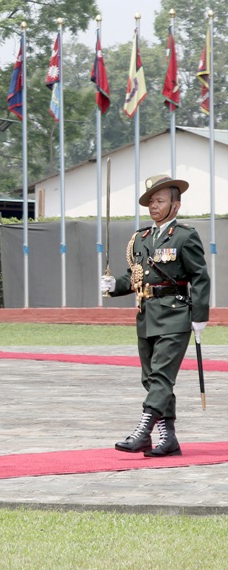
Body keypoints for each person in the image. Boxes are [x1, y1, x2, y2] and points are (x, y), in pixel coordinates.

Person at [100, 174, 210, 457]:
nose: (153, 206)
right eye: (151, 201)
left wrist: (199, 315)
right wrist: (115, 286)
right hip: (146, 314)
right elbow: (136, 276)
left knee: (161, 375)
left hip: (175, 314)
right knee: (151, 379)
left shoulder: (186, 236)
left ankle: (143, 430)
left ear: (175, 205)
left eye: (160, 200)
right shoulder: (141, 239)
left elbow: (200, 277)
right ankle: (168, 438)